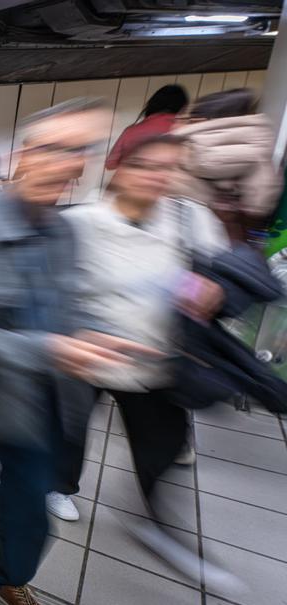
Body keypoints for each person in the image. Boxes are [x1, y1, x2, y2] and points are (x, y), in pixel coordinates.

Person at [0, 98, 157, 605]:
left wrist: (92, 331)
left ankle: (8, 578)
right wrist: (43, 347)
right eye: (55, 148)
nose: (67, 163)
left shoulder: (67, 234)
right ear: (24, 155)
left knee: (30, 505)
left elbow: (70, 303)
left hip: (37, 409)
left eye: (80, 150)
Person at [62, 134, 244, 582]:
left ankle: (161, 523)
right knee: (67, 429)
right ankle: (59, 485)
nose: (156, 178)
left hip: (157, 358)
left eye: (168, 168)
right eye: (146, 166)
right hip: (89, 356)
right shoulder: (83, 222)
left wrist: (209, 292)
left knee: (162, 443)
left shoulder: (188, 218)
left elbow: (220, 275)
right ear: (119, 168)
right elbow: (56, 287)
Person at [174, 88, 283, 243]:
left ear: (198, 121)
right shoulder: (258, 149)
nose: (177, 123)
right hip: (236, 242)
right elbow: (260, 202)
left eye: (183, 119)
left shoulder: (186, 148)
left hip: (192, 238)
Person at [105, 84, 189, 170]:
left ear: (153, 104)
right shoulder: (186, 132)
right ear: (183, 107)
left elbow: (110, 164)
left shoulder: (131, 130)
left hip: (131, 181)